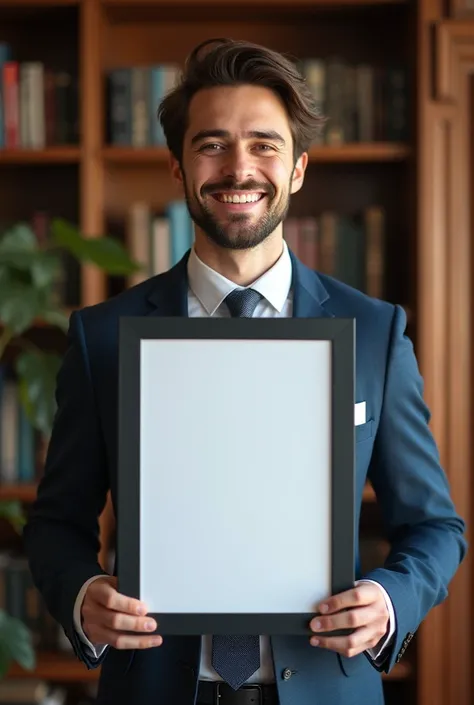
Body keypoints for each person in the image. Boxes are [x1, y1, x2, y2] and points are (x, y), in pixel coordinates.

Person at [24, 38, 467, 705]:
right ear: (178, 167)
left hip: (326, 688)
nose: (239, 167)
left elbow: (435, 526)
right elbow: (57, 522)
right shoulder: (102, 336)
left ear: (297, 169)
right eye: (212, 144)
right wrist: (85, 594)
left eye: (264, 144)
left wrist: (387, 599)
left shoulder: (375, 332)